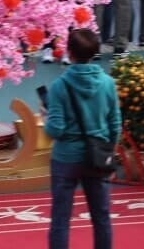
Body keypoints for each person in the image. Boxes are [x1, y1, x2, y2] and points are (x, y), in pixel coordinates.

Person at [44, 28, 119, 249]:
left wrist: (46, 117)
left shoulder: (59, 86)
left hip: (66, 159)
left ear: (69, 52)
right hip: (97, 157)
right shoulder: (108, 83)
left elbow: (55, 130)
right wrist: (110, 151)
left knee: (60, 220)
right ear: (95, 52)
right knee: (101, 217)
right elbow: (115, 124)